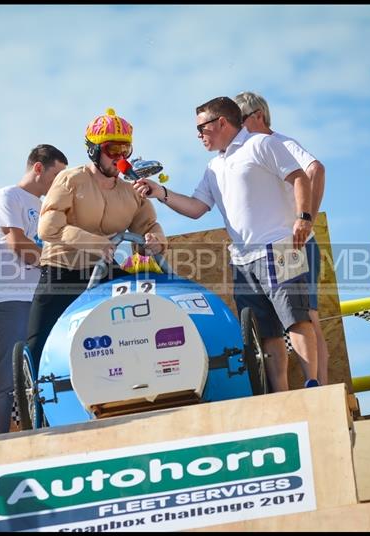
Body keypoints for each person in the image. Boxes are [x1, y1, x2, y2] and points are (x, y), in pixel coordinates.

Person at [134, 96, 319, 392]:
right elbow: (196, 208)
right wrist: (160, 192)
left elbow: (300, 177)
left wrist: (304, 217)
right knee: (267, 332)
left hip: (281, 246)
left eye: (201, 127)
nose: (198, 135)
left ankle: (314, 384)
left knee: (296, 319)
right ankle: (282, 396)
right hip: (244, 258)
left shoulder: (261, 144)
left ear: (221, 122)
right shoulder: (213, 166)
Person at [25, 108, 166, 370]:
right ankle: (32, 402)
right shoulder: (71, 179)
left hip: (103, 273)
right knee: (37, 343)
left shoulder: (131, 191)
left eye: (126, 151)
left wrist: (155, 241)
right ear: (93, 150)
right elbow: (48, 228)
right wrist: (94, 242)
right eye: (113, 150)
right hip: (61, 270)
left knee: (140, 318)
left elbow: (149, 226)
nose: (120, 158)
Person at [234, 91, 330, 386]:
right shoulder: (248, 150)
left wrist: (306, 220)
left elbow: (315, 169)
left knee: (307, 317)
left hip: (292, 243)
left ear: (258, 116)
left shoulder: (278, 142)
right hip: (275, 246)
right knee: (279, 327)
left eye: (241, 121)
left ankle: (321, 388)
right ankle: (290, 392)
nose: (237, 129)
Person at [0, 144, 68, 435]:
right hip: (14, 298)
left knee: (43, 376)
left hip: (41, 298)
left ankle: (43, 438)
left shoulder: (48, 207)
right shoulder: (7, 196)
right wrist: (55, 262)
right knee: (9, 379)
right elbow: (18, 244)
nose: (59, 183)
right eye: (56, 175)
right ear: (37, 168)